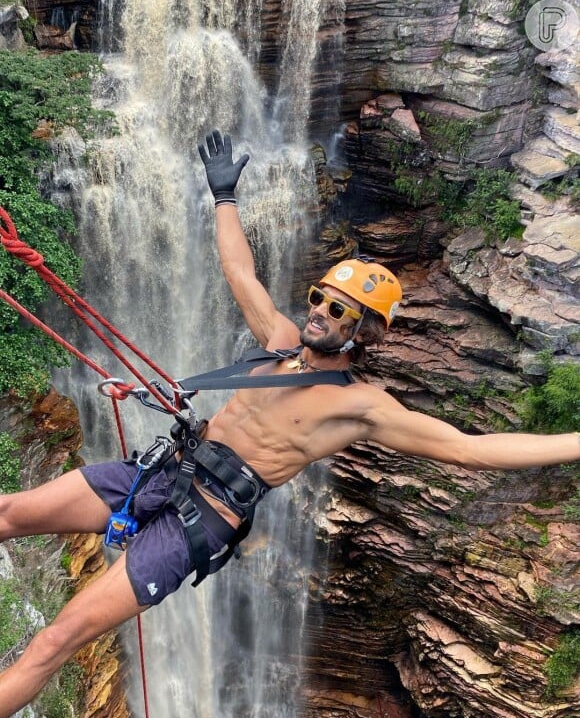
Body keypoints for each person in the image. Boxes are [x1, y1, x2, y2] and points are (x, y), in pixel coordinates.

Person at [0, 130, 578, 718]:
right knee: (9, 511)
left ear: (366, 332)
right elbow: (238, 271)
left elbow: (469, 451)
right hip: (159, 471)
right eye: (319, 297)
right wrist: (224, 198)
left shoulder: (361, 407)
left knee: (57, 638)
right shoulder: (276, 345)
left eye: (338, 309)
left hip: (199, 520)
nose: (320, 312)